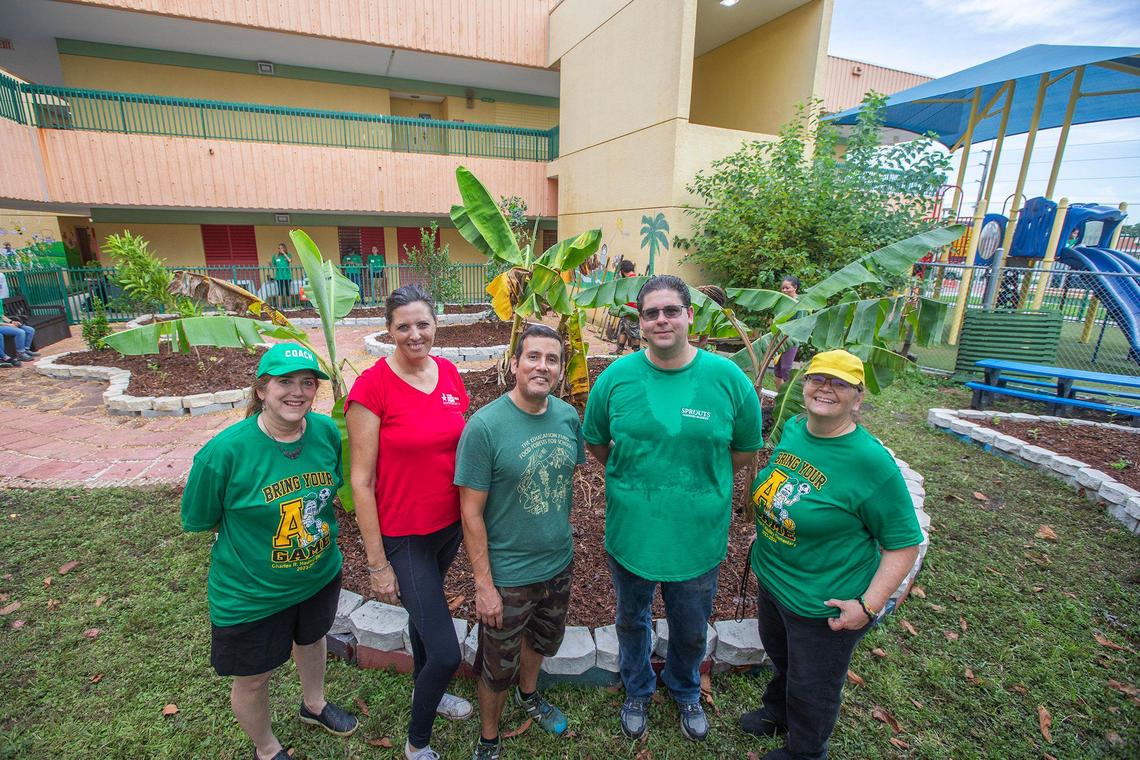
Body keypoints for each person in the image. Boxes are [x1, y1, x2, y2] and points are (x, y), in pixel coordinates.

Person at [583, 275, 764, 742]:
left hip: (697, 539)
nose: (661, 319)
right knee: (630, 619)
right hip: (632, 535)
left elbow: (743, 449)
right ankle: (638, 687)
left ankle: (684, 687)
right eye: (651, 312)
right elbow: (599, 442)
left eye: (670, 310)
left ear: (689, 316)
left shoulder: (726, 379)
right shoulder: (615, 380)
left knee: (689, 627)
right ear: (639, 321)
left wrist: (699, 482)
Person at [740, 349, 923, 760]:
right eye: (817, 378)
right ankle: (777, 711)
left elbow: (903, 542)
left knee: (814, 684)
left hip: (824, 602)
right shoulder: (795, 428)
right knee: (784, 660)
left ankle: (806, 751)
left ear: (857, 399)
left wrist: (868, 605)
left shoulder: (870, 463)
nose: (825, 388)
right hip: (776, 581)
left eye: (840, 383)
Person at [181, 342, 359, 760]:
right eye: (284, 382)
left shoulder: (325, 432)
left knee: (313, 640)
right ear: (261, 390)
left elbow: (329, 488)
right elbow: (201, 518)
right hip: (252, 594)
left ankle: (313, 705)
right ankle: (266, 748)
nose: (297, 392)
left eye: (307, 383)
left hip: (318, 575)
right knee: (254, 679)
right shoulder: (223, 453)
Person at [346, 284, 473, 760]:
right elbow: (360, 481)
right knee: (444, 651)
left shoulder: (448, 373)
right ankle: (416, 743)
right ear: (389, 330)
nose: (415, 334)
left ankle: (433, 695)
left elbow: (459, 443)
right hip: (404, 537)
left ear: (436, 325)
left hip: (448, 527)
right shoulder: (371, 388)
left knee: (425, 623)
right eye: (404, 326)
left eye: (423, 324)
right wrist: (377, 564)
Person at [455, 324, 585, 760]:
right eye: (532, 356)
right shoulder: (485, 427)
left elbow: (567, 481)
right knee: (497, 666)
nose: (541, 366)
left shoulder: (567, 417)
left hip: (557, 563)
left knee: (540, 642)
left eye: (551, 359)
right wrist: (483, 585)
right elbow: (470, 511)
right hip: (507, 574)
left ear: (561, 370)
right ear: (514, 363)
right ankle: (488, 737)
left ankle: (530, 696)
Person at [773, 275, 800, 391]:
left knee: (786, 369)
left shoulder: (799, 303)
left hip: (791, 340)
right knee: (777, 369)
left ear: (795, 288)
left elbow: (800, 323)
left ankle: (788, 396)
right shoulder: (782, 302)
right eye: (782, 288)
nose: (784, 290)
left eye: (787, 288)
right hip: (779, 338)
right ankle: (779, 396)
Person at [610, 259, 640, 355]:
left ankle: (637, 353)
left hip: (631, 311)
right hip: (626, 310)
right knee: (623, 330)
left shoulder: (629, 280)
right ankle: (619, 350)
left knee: (634, 333)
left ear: (622, 271)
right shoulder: (636, 279)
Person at [0, 295, 38, 367]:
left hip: (5, 324)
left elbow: (2, 316)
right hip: (1, 326)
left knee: (30, 330)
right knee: (20, 332)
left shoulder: (0, 300)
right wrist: (8, 325)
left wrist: (11, 322)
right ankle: (20, 353)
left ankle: (26, 350)